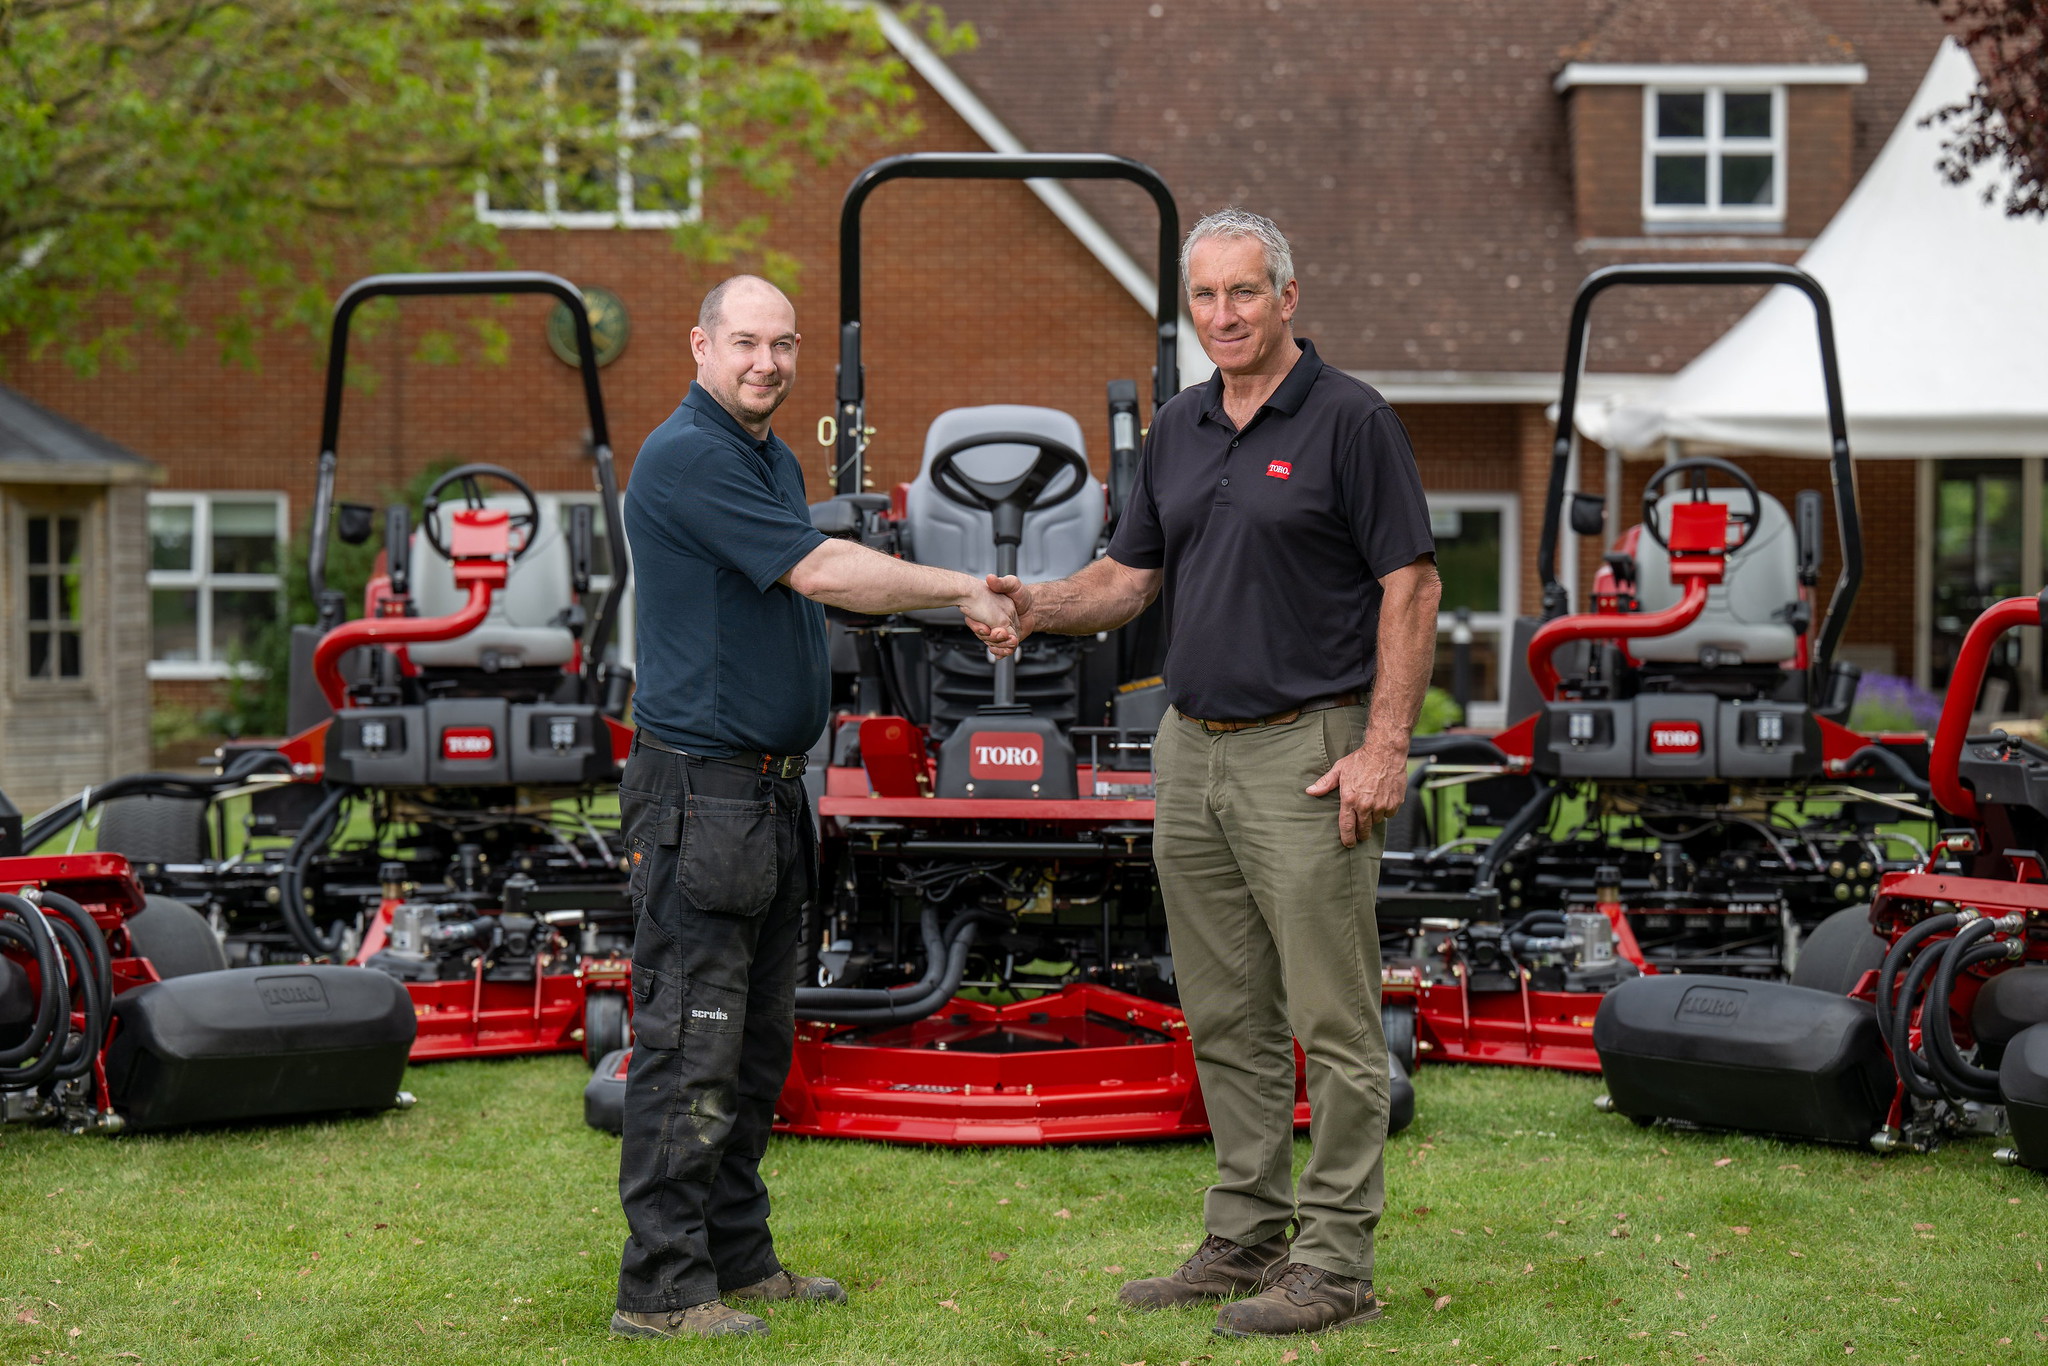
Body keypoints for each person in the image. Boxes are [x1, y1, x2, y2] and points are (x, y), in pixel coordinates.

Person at [990, 210, 1439, 1338]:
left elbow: (1411, 587)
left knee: (1331, 1022)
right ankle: (1246, 1232)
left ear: (1288, 297)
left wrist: (1384, 745)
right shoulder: (1179, 428)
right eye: (1203, 298)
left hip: (1309, 751)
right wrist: (1037, 606)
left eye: (1243, 293)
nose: (1223, 315)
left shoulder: (1350, 421)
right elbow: (1127, 577)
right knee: (1224, 1012)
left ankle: (1334, 1261)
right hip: (1190, 752)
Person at [610, 274, 1019, 1341]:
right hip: (700, 794)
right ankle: (659, 1288)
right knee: (689, 1043)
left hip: (765, 792)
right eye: (745, 343)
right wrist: (959, 587)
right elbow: (823, 568)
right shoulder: (687, 453)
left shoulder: (766, 455)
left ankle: (737, 1262)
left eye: (783, 346)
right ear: (699, 345)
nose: (766, 364)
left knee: (752, 1047)